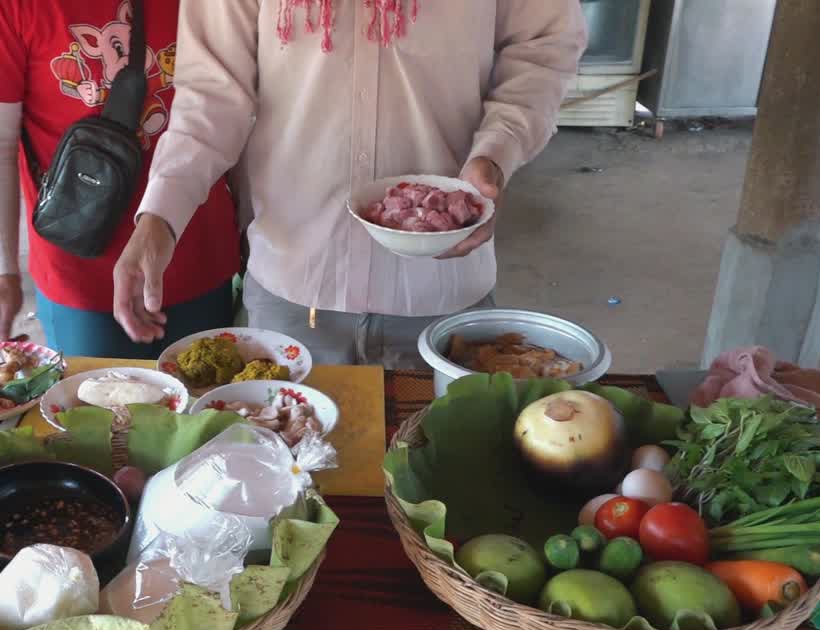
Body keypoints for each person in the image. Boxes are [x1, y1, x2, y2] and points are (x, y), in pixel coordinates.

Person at [114, 1, 587, 368]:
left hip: (443, 287)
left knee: (434, 480)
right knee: (292, 481)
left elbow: (542, 52)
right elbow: (212, 96)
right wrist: (159, 218)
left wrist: (496, 153)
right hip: (295, 285)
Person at [0, 0, 241, 358]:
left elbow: (234, 106)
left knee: (210, 406)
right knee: (97, 407)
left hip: (200, 251)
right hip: (80, 268)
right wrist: (1, 270)